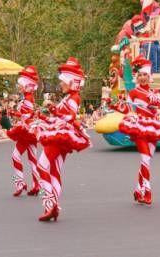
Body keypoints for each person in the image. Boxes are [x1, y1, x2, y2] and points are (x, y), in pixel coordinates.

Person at [105, 55, 160, 205]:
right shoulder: (133, 93)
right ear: (136, 77)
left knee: (146, 162)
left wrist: (155, 109)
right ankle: (147, 190)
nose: (143, 77)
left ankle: (138, 190)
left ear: (149, 75)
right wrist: (113, 103)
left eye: (145, 74)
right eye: (140, 75)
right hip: (139, 127)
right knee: (145, 159)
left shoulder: (156, 93)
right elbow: (127, 108)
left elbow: (158, 110)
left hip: (153, 127)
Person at [36, 57, 91, 222]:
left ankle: (51, 203)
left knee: (41, 166)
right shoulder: (68, 98)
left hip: (60, 135)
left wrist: (54, 109)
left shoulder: (74, 98)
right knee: (55, 172)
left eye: (63, 81)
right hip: (61, 134)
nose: (60, 84)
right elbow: (60, 118)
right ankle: (52, 207)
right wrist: (44, 117)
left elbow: (69, 117)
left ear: (71, 81)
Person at [6, 66, 42, 197]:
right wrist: (15, 113)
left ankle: (19, 183)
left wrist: (13, 113)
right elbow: (27, 114)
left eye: (21, 84)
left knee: (15, 156)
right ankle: (37, 184)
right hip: (31, 131)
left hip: (26, 131)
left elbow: (26, 115)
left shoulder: (27, 98)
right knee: (33, 158)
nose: (19, 86)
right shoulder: (29, 97)